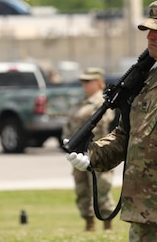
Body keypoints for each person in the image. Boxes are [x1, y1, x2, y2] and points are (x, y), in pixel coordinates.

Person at [66, 0, 157, 241]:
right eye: (149, 30)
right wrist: (94, 154)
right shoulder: (149, 79)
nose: (150, 37)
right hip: (143, 214)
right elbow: (128, 134)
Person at [63, 67, 116, 231]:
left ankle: (107, 224)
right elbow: (69, 124)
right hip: (78, 152)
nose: (84, 85)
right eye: (82, 81)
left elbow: (103, 122)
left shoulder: (103, 102)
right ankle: (89, 222)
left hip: (97, 151)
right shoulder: (81, 103)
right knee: (82, 188)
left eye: (88, 81)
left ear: (99, 82)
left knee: (101, 187)